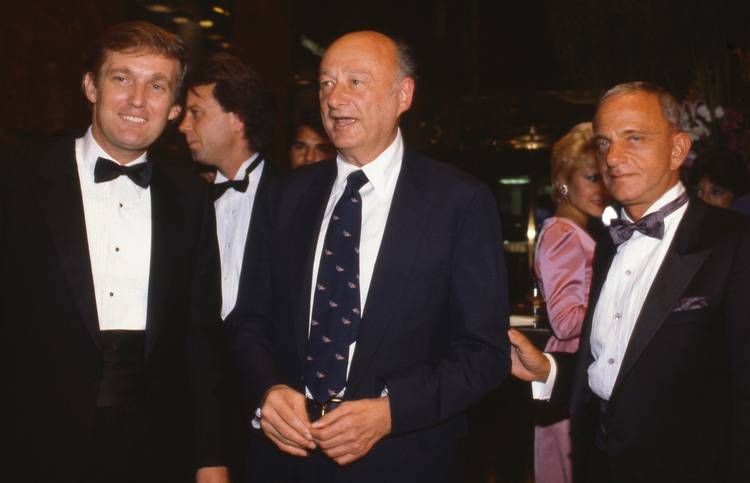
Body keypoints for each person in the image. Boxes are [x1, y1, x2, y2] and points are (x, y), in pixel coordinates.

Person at [232, 31, 509, 482]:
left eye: (355, 82)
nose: (334, 98)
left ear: (403, 94)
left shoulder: (459, 202)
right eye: (325, 83)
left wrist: (392, 412)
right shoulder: (284, 196)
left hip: (404, 461)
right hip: (284, 461)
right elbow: (249, 320)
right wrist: (267, 390)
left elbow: (484, 353)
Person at [0, 21, 228, 483]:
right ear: (90, 86)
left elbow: (200, 340)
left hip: (153, 449)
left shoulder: (192, 199)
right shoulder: (16, 180)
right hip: (28, 442)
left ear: (175, 108)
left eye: (157, 85)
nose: (138, 100)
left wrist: (211, 456)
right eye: (122, 78)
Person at [510, 81, 750, 482]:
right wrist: (548, 369)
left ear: (678, 149)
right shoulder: (607, 242)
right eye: (604, 143)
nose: (614, 158)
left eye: (633, 138)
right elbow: (615, 363)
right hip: (596, 461)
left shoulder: (733, 241)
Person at [179, 51, 276, 480]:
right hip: (194, 410)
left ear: (236, 119)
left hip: (272, 413)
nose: (183, 124)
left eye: (196, 112)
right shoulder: (183, 200)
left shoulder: (295, 198)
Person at [534, 122, 605, 483]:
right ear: (562, 181)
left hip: (577, 377)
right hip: (569, 377)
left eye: (604, 178)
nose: (602, 189)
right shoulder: (562, 233)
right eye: (592, 177)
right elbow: (564, 320)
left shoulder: (577, 233)